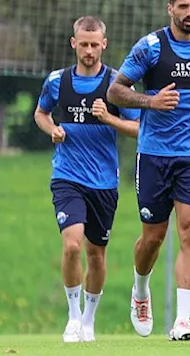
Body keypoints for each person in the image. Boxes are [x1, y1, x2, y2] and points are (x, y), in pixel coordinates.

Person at [110, 0, 190, 341]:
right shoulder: (150, 47)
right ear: (170, 9)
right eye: (183, 7)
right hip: (154, 156)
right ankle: (141, 289)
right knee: (153, 237)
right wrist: (150, 102)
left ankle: (182, 322)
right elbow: (116, 91)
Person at [34, 17, 141, 343]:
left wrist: (108, 117)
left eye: (95, 44)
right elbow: (41, 113)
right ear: (74, 43)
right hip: (67, 176)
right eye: (84, 44)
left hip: (104, 182)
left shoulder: (116, 86)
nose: (90, 50)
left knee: (96, 254)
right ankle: (73, 317)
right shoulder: (57, 81)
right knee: (71, 245)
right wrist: (52, 129)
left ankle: (90, 320)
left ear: (104, 44)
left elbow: (139, 129)